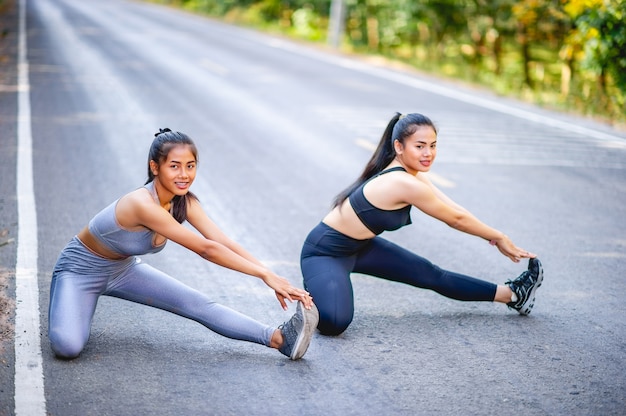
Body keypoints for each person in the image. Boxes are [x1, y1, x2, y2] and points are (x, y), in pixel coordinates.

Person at [48, 128, 318, 360]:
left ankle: (280, 339)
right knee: (68, 346)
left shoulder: (184, 201)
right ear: (155, 167)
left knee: (197, 303)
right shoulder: (140, 204)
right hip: (80, 270)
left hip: (123, 270)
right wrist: (263, 276)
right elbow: (206, 249)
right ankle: (72, 303)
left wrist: (272, 275)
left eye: (190, 166)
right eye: (174, 166)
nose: (184, 174)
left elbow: (221, 241)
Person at [300, 112, 543, 336]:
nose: (428, 153)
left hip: (361, 247)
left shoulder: (412, 176)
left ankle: (513, 294)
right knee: (335, 323)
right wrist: (499, 237)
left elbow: (457, 210)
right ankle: (320, 285)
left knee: (431, 275)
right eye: (420, 146)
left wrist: (493, 235)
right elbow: (455, 220)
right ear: (399, 147)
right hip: (325, 254)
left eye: (433, 146)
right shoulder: (403, 183)